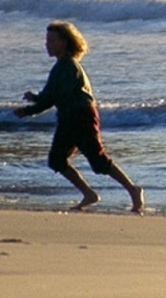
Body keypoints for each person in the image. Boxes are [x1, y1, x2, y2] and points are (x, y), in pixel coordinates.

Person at [14, 21, 145, 213]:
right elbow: (51, 95)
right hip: (69, 117)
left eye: (52, 40)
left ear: (65, 42)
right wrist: (35, 99)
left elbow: (55, 97)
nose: (47, 44)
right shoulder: (60, 66)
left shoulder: (68, 65)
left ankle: (133, 190)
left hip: (81, 116)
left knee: (98, 160)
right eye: (46, 40)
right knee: (57, 160)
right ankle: (89, 194)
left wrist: (28, 110)